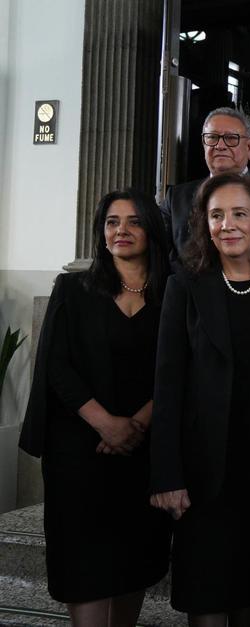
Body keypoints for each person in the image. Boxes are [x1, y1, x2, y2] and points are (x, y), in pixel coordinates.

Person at [150, 173, 250, 626]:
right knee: (207, 592)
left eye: (240, 214)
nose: (227, 225)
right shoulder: (186, 287)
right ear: (203, 224)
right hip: (202, 473)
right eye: (217, 215)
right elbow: (168, 383)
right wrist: (166, 475)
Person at [20, 189, 172, 626]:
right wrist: (105, 424)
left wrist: (136, 425)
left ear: (153, 230)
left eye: (133, 221)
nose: (121, 230)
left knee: (132, 558)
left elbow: (180, 367)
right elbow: (56, 366)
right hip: (78, 450)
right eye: (111, 222)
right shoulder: (73, 288)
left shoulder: (174, 293)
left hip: (144, 449)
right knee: (83, 564)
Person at [162, 107, 250, 271]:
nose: (220, 146)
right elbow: (163, 258)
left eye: (231, 138)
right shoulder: (176, 198)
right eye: (212, 137)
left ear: (249, 147)